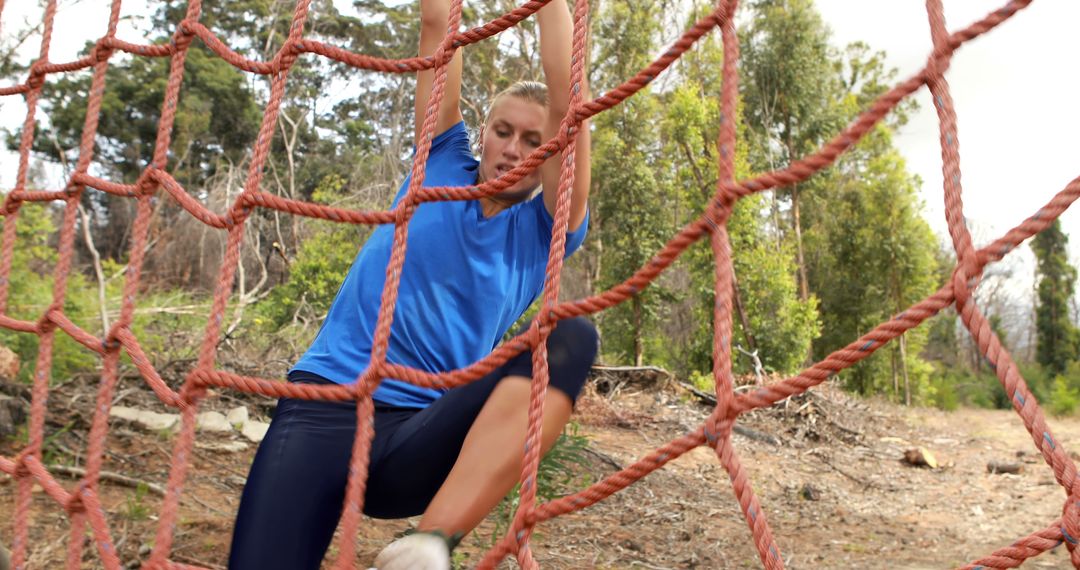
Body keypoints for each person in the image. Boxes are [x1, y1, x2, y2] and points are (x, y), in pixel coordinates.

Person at [227, 0, 594, 567]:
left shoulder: (544, 229)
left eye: (531, 139)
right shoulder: (439, 163)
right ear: (485, 132)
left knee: (570, 335)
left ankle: (428, 545)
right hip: (323, 407)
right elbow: (436, 23)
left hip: (418, 435)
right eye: (503, 131)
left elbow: (568, 96)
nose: (513, 149)